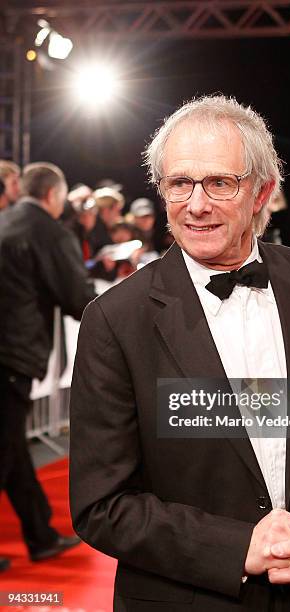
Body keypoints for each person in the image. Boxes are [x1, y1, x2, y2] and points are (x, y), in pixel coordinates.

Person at [69, 96, 290, 611]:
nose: (196, 205)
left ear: (261, 191)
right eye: (180, 183)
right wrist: (240, 548)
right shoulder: (114, 319)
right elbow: (103, 504)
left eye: (219, 183)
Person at [0, 162, 96, 566]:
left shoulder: (5, 221)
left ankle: (39, 534)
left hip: (8, 353)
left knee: (13, 449)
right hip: (13, 355)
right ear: (54, 195)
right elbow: (78, 298)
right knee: (5, 449)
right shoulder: (49, 231)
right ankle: (40, 535)